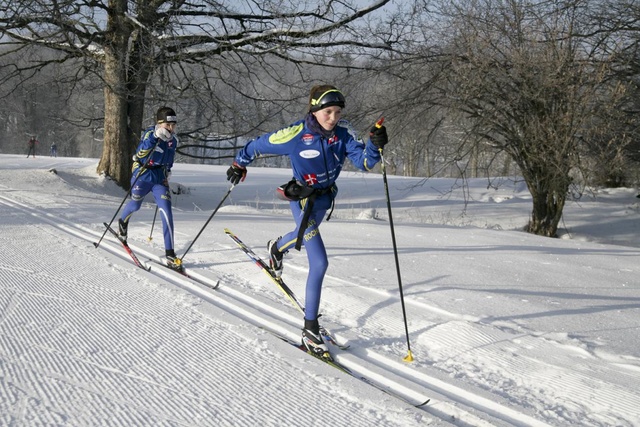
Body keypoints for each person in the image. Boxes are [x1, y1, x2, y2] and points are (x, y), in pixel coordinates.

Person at [226, 85, 388, 358]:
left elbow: (364, 163)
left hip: (324, 200)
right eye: (328, 112)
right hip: (303, 199)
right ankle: (310, 329)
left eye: (337, 112)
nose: (333, 117)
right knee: (320, 262)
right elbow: (258, 145)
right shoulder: (297, 133)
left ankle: (276, 248)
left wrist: (375, 143)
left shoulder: (344, 134)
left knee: (301, 235)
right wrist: (239, 163)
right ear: (314, 110)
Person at [119, 107, 180, 269]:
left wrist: (168, 171)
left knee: (166, 211)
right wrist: (154, 137)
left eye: (173, 125)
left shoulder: (173, 140)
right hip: (143, 175)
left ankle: (170, 253)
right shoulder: (150, 134)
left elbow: (169, 158)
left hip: (160, 178)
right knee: (136, 204)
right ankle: (122, 223)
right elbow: (140, 154)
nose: (171, 129)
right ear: (159, 124)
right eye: (168, 125)